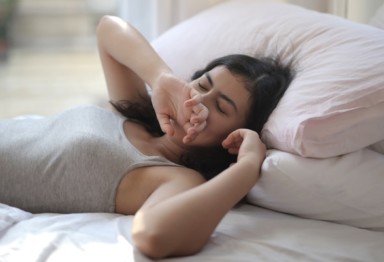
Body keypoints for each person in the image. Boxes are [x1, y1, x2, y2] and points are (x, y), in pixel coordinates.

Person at [0, 16, 293, 258]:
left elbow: (152, 236)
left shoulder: (177, 178)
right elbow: (108, 29)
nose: (199, 101)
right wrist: (161, 78)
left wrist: (246, 166)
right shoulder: (136, 112)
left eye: (220, 107)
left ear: (230, 139)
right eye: (202, 84)